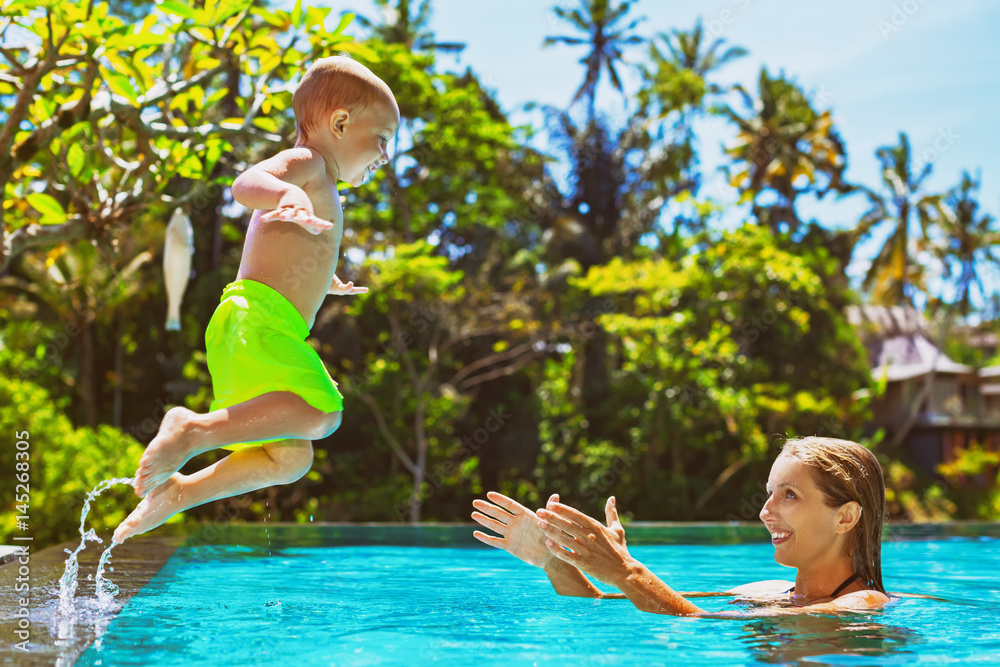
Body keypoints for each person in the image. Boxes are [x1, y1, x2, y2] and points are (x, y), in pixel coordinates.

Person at [113, 56, 400, 543]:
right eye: (384, 139)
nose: (386, 155)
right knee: (324, 412)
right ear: (340, 122)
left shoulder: (324, 184)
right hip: (257, 320)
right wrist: (284, 197)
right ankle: (192, 431)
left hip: (258, 324)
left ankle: (179, 493)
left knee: (289, 458)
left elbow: (289, 256)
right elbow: (245, 184)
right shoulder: (308, 164)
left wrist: (324, 279)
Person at [472, 436, 891, 616]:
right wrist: (556, 560)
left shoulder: (863, 605)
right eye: (770, 493)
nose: (765, 512)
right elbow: (601, 604)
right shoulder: (760, 594)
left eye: (790, 495)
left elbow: (693, 622)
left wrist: (627, 570)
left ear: (846, 517)